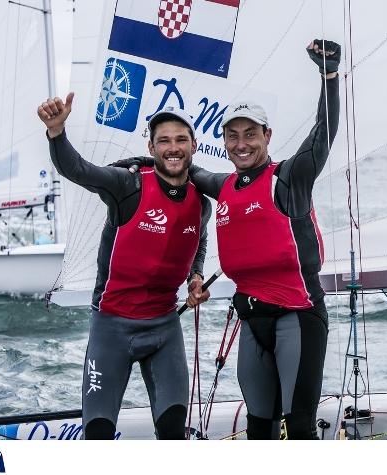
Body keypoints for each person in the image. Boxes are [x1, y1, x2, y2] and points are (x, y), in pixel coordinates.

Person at [115, 39, 341, 439]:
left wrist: (329, 76)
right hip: (252, 322)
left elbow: (323, 135)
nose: (241, 144)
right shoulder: (223, 186)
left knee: (300, 426)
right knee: (258, 426)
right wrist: (145, 161)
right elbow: (184, 167)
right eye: (232, 135)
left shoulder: (289, 179)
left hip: (298, 318)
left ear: (267, 135)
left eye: (250, 134)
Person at [37, 96, 212, 440]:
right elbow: (78, 169)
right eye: (164, 140)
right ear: (151, 146)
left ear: (193, 144)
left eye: (180, 140)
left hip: (164, 329)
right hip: (111, 328)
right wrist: (57, 133)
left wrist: (196, 276)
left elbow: (198, 242)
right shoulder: (127, 185)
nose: (172, 148)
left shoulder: (200, 202)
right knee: (99, 436)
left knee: (174, 434)